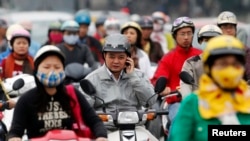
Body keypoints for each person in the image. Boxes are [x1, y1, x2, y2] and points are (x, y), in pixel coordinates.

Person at [7, 45, 108, 141]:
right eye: (46, 67)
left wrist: (101, 136)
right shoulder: (26, 100)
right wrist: (14, 137)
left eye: (57, 67)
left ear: (63, 70)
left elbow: (95, 121)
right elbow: (15, 130)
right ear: (36, 70)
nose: (52, 72)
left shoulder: (72, 94)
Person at [168, 35, 250, 141]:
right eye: (223, 64)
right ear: (208, 67)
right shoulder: (193, 103)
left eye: (235, 64)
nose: (230, 69)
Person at [83, 33, 158, 141]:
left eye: (121, 57)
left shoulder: (139, 75)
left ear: (128, 57)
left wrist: (133, 77)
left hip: (136, 128)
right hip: (105, 130)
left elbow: (150, 101)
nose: (116, 61)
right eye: (111, 57)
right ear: (104, 56)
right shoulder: (92, 79)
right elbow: (84, 109)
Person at [151, 16, 202, 129]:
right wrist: (166, 89)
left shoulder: (202, 55)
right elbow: (158, 81)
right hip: (177, 103)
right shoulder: (168, 58)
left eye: (189, 33)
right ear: (175, 36)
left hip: (202, 101)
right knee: (180, 122)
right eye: (182, 34)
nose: (186, 37)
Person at [180, 24, 223, 98]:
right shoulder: (190, 63)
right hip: (198, 104)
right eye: (206, 40)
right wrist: (190, 102)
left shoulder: (228, 63)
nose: (210, 43)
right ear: (200, 42)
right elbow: (185, 88)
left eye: (213, 40)